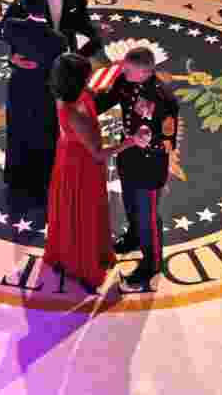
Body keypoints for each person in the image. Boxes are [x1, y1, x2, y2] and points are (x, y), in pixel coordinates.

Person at [0, 0, 105, 196]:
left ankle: (54, 175)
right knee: (35, 123)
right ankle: (27, 178)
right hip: (35, 70)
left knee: (58, 126)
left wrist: (83, 53)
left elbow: (85, 26)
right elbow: (3, 29)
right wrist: (11, 58)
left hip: (63, 70)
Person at [43, 54, 151, 293]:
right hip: (80, 166)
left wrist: (121, 69)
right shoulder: (73, 112)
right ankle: (81, 264)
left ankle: (76, 254)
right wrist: (131, 141)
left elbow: (100, 93)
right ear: (77, 80)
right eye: (86, 74)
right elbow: (98, 154)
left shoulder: (74, 91)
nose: (90, 76)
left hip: (74, 156)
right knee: (83, 212)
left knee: (77, 211)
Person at [90, 47, 180, 287]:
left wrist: (148, 143)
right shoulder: (125, 81)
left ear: (144, 72)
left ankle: (152, 263)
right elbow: (106, 101)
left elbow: (169, 143)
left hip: (150, 167)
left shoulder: (164, 98)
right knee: (130, 204)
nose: (123, 72)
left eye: (128, 70)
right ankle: (132, 237)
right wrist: (81, 106)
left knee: (148, 216)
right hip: (127, 157)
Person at [0, 14, 68, 197]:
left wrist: (12, 58)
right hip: (44, 92)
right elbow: (59, 69)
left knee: (18, 131)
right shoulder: (58, 40)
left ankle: (17, 178)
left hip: (19, 89)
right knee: (44, 133)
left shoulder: (13, 26)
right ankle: (44, 179)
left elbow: (5, 35)